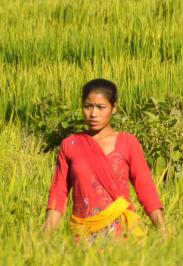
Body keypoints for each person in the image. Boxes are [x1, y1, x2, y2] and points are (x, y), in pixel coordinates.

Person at [43, 79, 166, 239]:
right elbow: (59, 193)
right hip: (83, 236)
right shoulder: (71, 144)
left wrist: (163, 231)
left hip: (121, 235)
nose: (93, 114)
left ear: (114, 108)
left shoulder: (128, 143)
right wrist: (45, 237)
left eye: (101, 107)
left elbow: (146, 189)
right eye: (88, 106)